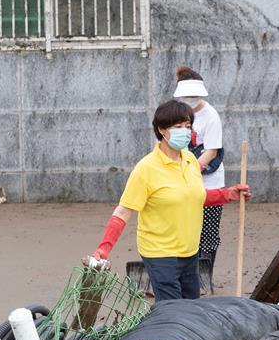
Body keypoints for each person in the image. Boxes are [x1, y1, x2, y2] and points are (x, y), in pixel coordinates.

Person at [90, 99, 250, 302]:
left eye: (188, 126)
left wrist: (227, 194)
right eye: (178, 126)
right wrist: (103, 249)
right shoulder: (146, 168)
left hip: (190, 250)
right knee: (172, 310)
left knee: (191, 306)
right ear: (162, 130)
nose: (185, 131)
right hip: (160, 253)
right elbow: (123, 211)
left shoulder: (190, 159)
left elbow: (193, 196)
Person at [173, 65, 225, 283]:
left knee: (208, 233)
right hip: (180, 182)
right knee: (182, 229)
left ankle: (205, 278)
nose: (190, 100)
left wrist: (192, 170)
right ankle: (183, 276)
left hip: (209, 182)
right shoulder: (173, 113)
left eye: (194, 96)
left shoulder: (211, 116)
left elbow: (212, 151)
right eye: (187, 96)